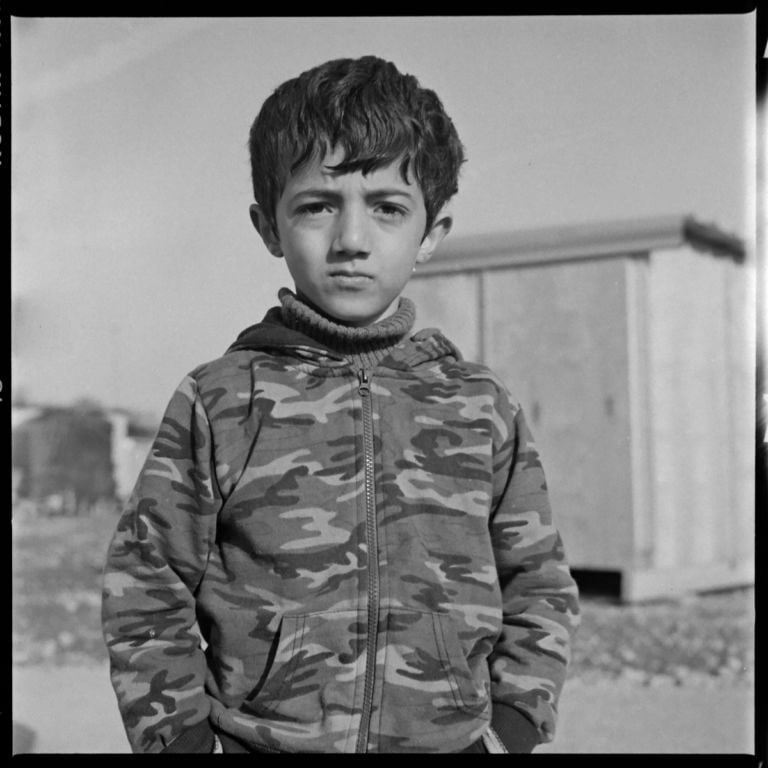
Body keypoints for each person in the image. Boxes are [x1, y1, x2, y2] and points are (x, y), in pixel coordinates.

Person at [101, 55, 580, 754]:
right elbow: (146, 582)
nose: (352, 240)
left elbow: (539, 582)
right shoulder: (221, 400)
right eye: (317, 205)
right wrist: (182, 742)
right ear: (269, 226)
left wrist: (510, 730)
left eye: (388, 207)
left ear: (431, 235)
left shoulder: (481, 406)